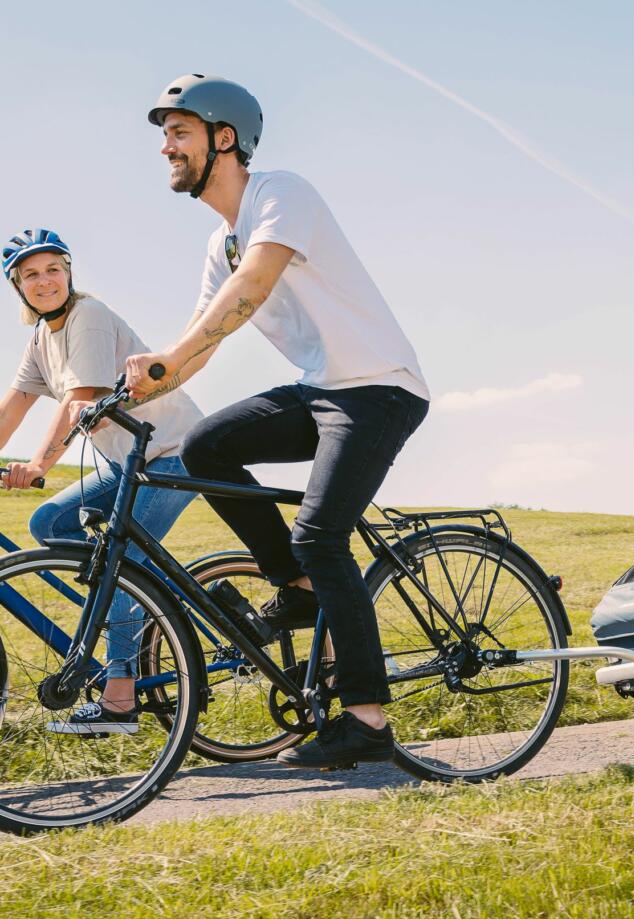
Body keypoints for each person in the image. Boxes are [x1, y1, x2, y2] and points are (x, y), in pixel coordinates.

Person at [126, 75, 430, 771]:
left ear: (223, 137)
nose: (165, 148)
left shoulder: (280, 195)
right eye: (163, 137)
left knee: (321, 536)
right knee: (206, 445)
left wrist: (170, 358)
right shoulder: (219, 243)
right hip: (321, 390)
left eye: (178, 133)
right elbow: (205, 342)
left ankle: (366, 720)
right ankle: (296, 593)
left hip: (378, 390)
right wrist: (133, 393)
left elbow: (252, 288)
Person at [0, 228, 202, 733]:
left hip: (172, 455)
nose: (44, 281)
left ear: (69, 273)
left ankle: (119, 700)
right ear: (18, 287)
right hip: (127, 461)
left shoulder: (87, 317)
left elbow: (82, 398)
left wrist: (40, 465)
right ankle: (127, 607)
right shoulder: (41, 339)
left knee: (123, 566)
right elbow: (15, 405)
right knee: (51, 523)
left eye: (53, 269)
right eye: (31, 275)